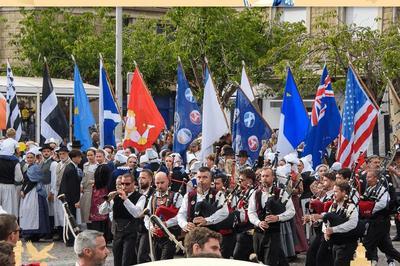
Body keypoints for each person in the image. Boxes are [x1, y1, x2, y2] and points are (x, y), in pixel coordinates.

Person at [248, 167, 295, 266]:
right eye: (263, 176)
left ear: (273, 177)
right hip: (258, 233)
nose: (264, 178)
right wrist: (258, 222)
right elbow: (251, 212)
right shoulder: (255, 193)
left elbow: (291, 211)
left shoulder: (281, 192)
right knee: (260, 260)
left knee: (269, 261)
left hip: (273, 233)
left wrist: (278, 217)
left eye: (267, 176)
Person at [99, 173, 145, 266]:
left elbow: (137, 213)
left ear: (133, 183)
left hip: (131, 233)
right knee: (117, 260)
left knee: (127, 260)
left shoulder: (140, 197)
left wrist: (125, 199)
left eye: (127, 184)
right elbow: (102, 211)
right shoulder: (116, 197)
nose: (124, 186)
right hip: (117, 233)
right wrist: (108, 200)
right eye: (122, 184)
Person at [362, 169, 400, 264]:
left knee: (367, 244)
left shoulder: (382, 189)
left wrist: (369, 210)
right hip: (373, 221)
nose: (367, 179)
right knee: (386, 248)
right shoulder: (369, 189)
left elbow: (382, 204)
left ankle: (367, 263)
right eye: (367, 177)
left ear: (376, 178)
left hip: (380, 221)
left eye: (369, 177)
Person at [177, 167, 229, 234]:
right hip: (192, 235)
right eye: (199, 177)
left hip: (211, 235)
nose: (201, 180)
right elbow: (181, 214)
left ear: (211, 180)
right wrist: (185, 224)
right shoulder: (189, 195)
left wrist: (207, 221)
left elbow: (224, 212)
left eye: (205, 177)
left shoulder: (218, 194)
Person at [145, 171, 182, 260]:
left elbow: (180, 216)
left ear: (168, 181)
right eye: (157, 183)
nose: (160, 186)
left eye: (162, 182)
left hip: (170, 236)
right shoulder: (152, 197)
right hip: (156, 236)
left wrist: (166, 224)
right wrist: (150, 227)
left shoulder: (177, 196)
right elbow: (147, 216)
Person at [322, 181, 359, 266]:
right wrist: (325, 231)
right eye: (333, 191)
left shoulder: (350, 206)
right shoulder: (333, 205)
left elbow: (352, 223)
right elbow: (326, 219)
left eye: (336, 191)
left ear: (344, 192)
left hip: (346, 244)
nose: (334, 194)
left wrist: (333, 230)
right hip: (335, 243)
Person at [19, 148, 50, 241]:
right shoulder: (28, 167)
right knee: (27, 212)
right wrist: (22, 189)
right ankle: (29, 233)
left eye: (31, 157)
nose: (29, 159)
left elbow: (33, 181)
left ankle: (35, 233)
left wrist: (25, 191)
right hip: (28, 192)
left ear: (34, 158)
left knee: (34, 212)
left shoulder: (35, 168)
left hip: (34, 192)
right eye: (28, 157)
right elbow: (25, 181)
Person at [58, 150, 83, 246]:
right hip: (70, 198)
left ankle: (71, 237)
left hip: (68, 197)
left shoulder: (71, 167)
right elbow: (72, 187)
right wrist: (76, 200)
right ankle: (71, 238)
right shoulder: (71, 169)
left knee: (70, 218)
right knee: (71, 218)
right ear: (74, 158)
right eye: (79, 157)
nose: (80, 159)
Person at [87, 149, 110, 239]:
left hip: (101, 192)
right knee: (97, 213)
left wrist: (95, 182)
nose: (98, 158)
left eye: (100, 156)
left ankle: (102, 235)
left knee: (101, 213)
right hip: (97, 191)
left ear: (104, 157)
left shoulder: (105, 167)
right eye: (97, 156)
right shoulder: (100, 166)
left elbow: (104, 181)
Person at [0, 128, 23, 217]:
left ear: (6, 135)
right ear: (14, 135)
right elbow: (18, 178)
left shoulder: (3, 142)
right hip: (9, 187)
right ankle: (7, 228)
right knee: (8, 209)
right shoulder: (15, 162)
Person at [137, 169, 155, 264]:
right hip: (136, 228)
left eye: (143, 178)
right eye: (140, 178)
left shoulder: (154, 193)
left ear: (150, 180)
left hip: (147, 229)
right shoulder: (137, 193)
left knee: (142, 256)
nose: (140, 180)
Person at [78, 148, 97, 227]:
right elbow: (83, 177)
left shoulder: (98, 165)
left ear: (95, 155)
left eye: (91, 155)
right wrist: (81, 185)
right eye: (88, 155)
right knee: (86, 210)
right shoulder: (85, 165)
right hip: (86, 190)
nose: (89, 157)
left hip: (94, 190)